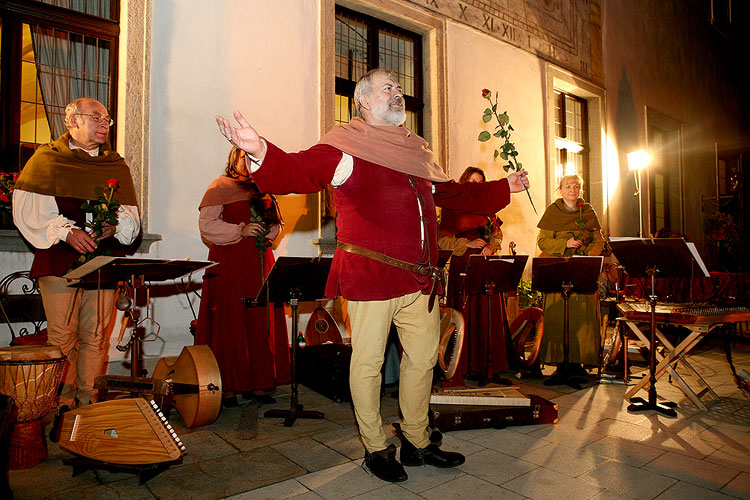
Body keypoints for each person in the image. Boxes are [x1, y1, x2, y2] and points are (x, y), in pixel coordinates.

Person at [216, 68, 530, 483]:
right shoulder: (346, 147)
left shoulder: (415, 151)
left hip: (419, 282)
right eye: (388, 88)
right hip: (371, 277)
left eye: (400, 88)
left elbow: (453, 193)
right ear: (363, 100)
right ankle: (375, 447)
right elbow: (300, 172)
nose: (398, 94)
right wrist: (261, 153)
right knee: (368, 365)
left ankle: (417, 440)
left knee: (421, 361)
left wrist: (503, 186)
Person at [13, 97, 141, 409]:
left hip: (103, 263)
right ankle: (59, 405)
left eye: (107, 119)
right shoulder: (46, 159)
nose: (104, 124)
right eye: (96, 117)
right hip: (59, 261)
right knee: (61, 339)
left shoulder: (115, 165)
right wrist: (66, 232)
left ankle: (89, 403)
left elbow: (131, 219)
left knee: (96, 338)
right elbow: (27, 213)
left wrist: (114, 227)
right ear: (73, 122)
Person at [195, 146, 289, 407]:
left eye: (252, 157)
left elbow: (278, 224)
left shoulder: (264, 186)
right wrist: (241, 230)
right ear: (233, 159)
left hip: (258, 262)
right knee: (229, 319)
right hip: (230, 261)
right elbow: (207, 225)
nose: (247, 162)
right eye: (243, 157)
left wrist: (269, 230)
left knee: (260, 319)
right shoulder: (219, 186)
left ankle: (259, 383)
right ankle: (227, 387)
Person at [438, 166, 509, 386]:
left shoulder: (488, 209)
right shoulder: (451, 207)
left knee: (489, 312)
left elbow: (497, 235)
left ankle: (490, 367)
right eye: (472, 182)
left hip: (486, 264)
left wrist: (492, 246)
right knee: (467, 313)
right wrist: (465, 243)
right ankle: (466, 365)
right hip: (463, 265)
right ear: (463, 182)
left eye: (481, 182)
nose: (476, 186)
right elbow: (440, 240)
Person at [536, 174, 604, 369]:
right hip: (558, 267)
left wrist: (588, 255)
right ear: (560, 189)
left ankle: (581, 359)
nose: (572, 190)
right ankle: (558, 361)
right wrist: (564, 243)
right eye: (568, 186)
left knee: (584, 315)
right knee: (557, 313)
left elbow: (599, 240)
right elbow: (543, 242)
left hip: (583, 269)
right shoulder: (553, 211)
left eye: (576, 186)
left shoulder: (589, 211)